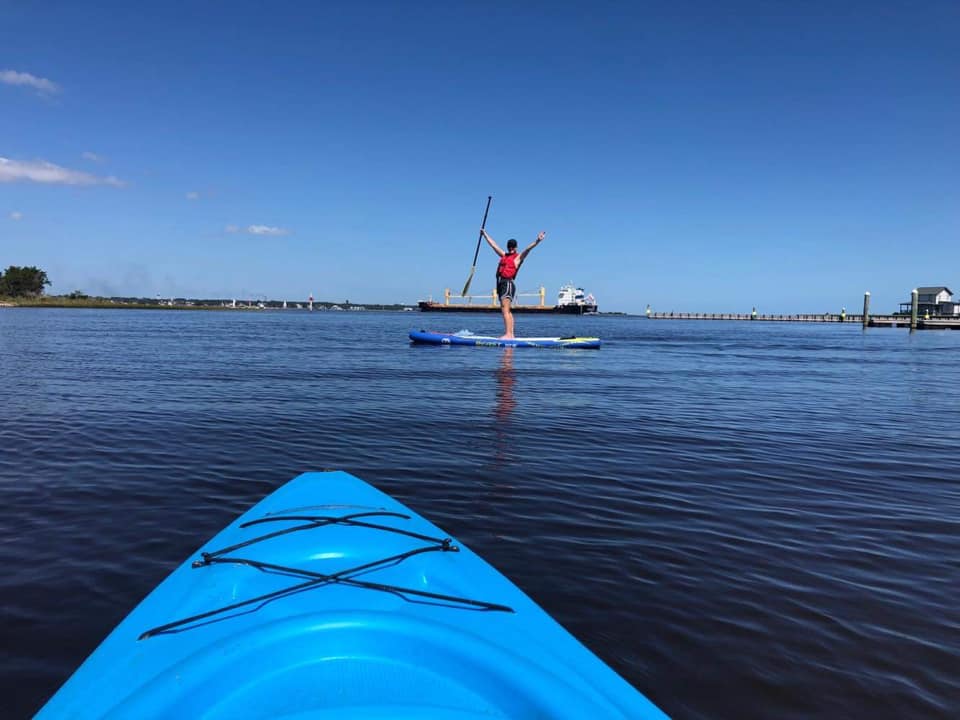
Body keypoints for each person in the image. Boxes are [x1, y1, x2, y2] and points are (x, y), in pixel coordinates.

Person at [480, 228, 546, 338]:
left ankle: (508, 334)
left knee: (505, 310)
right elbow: (494, 245)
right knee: (507, 310)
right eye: (510, 247)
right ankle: (511, 334)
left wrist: (537, 241)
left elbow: (527, 250)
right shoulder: (504, 256)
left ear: (515, 248)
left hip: (508, 284)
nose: (511, 249)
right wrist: (485, 235)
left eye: (511, 247)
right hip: (502, 284)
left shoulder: (517, 258)